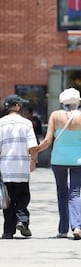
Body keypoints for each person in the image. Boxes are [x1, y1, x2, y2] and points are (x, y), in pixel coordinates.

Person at [37, 88, 81, 240]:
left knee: (62, 193)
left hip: (59, 159)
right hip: (78, 159)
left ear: (63, 102)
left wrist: (35, 151)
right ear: (77, 102)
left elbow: (48, 140)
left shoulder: (55, 116)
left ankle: (63, 229)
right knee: (74, 192)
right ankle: (76, 226)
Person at [0, 95, 38, 239]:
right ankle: (22, 220)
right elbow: (32, 146)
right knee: (23, 196)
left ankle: (8, 231)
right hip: (21, 166)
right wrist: (33, 160)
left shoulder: (0, 123)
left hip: (5, 167)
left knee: (8, 199)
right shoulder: (26, 123)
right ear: (17, 106)